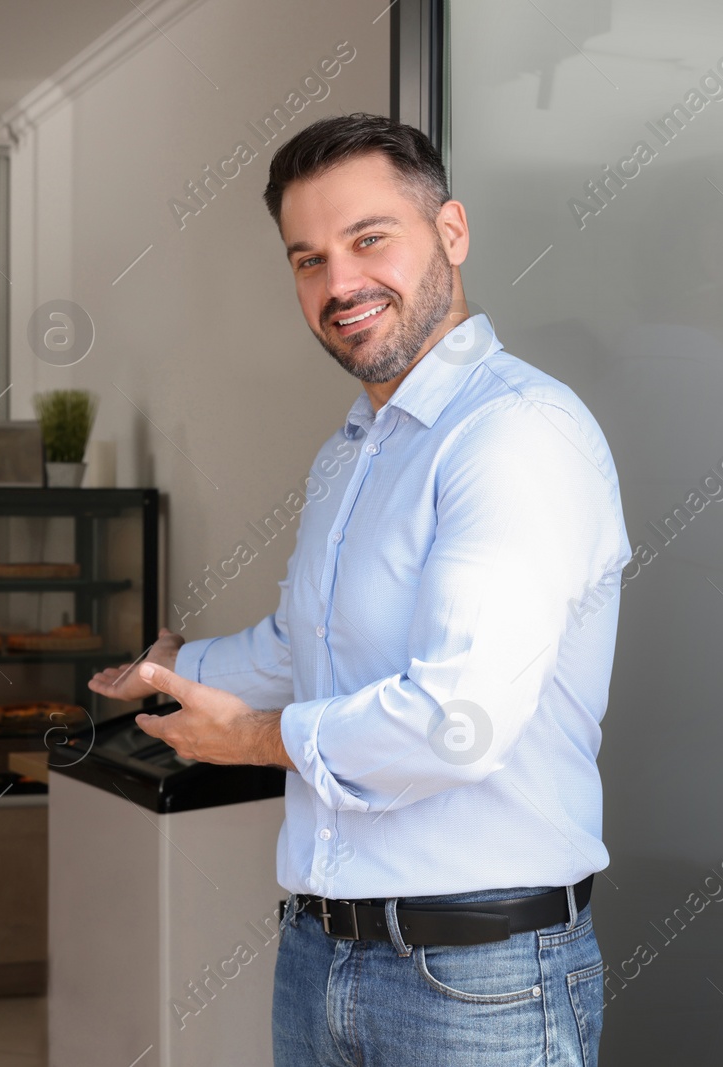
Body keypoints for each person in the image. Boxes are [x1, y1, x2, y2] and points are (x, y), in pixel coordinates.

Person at [88, 112, 629, 1067]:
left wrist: (251, 741)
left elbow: (455, 717)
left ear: (451, 234)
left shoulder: (515, 434)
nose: (339, 283)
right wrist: (171, 667)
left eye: (368, 239)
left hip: (480, 980)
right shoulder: (350, 455)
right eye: (308, 259)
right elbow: (308, 645)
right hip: (321, 955)